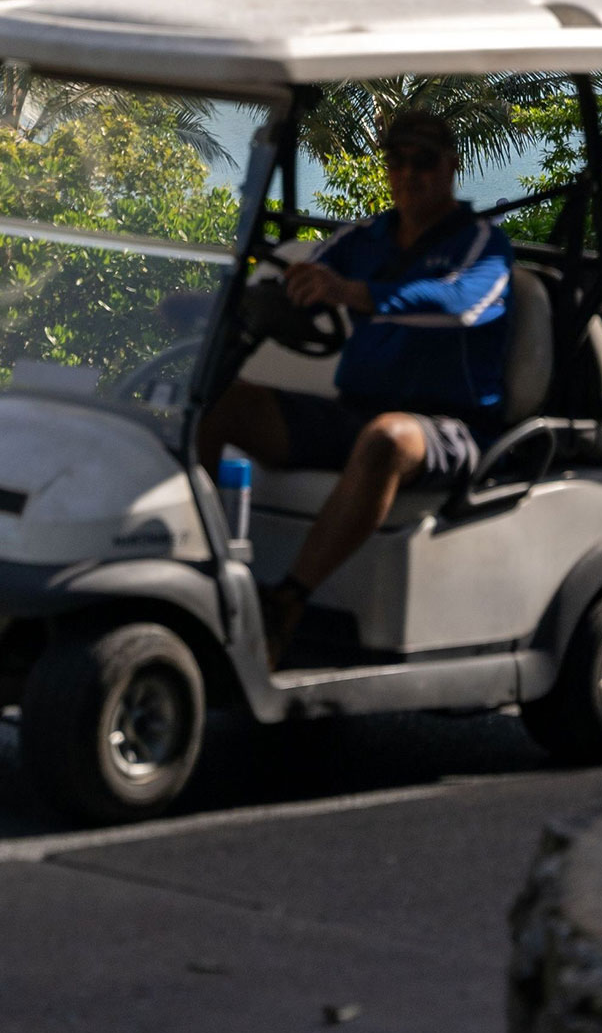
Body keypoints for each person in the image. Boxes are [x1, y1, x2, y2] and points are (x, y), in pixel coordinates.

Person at [197, 106, 511, 664]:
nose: (410, 174)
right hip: (354, 409)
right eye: (398, 161)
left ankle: (286, 604)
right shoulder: (366, 236)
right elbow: (288, 279)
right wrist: (205, 308)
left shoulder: (480, 244)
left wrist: (354, 295)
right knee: (218, 402)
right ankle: (198, 570)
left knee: (386, 440)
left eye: (425, 161)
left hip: (450, 426)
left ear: (451, 167)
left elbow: (463, 306)